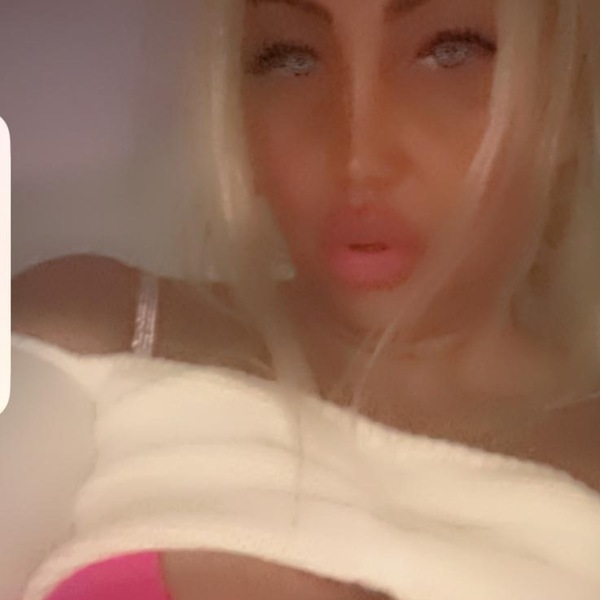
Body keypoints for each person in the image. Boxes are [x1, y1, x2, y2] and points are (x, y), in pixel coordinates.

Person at [4, 0, 600, 598]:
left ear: (569, 96)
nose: (358, 156)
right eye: (290, 59)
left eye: (451, 52)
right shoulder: (99, 329)